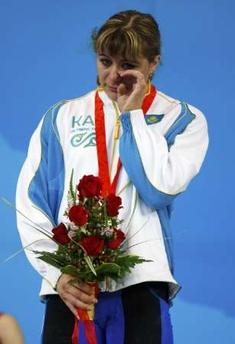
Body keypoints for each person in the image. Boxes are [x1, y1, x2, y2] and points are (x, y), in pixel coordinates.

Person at [16, 9, 209, 344]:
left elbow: (158, 188)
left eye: (128, 65)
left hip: (141, 281)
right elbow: (31, 202)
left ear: (153, 63)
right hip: (71, 287)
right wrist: (57, 273)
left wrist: (132, 113)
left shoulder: (182, 119)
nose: (114, 76)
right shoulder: (61, 118)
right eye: (105, 61)